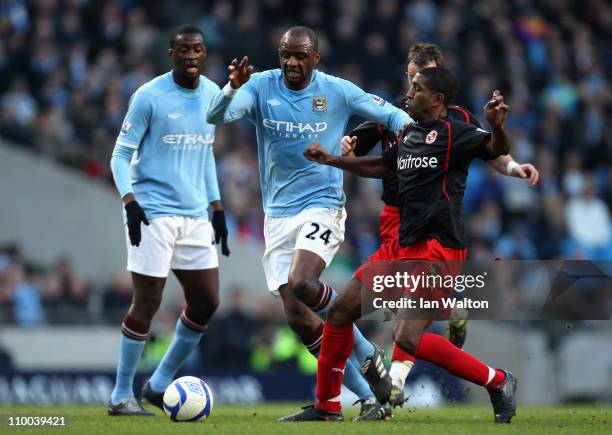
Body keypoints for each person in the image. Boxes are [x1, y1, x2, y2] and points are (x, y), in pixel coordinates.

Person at [282, 67, 518, 423]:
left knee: (405, 335)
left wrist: (497, 126)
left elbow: (493, 148)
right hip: (400, 248)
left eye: (417, 87)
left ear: (437, 100)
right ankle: (328, 405)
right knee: (342, 313)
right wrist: (333, 161)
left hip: (439, 251)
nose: (409, 91)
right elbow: (381, 165)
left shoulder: (456, 132)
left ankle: (488, 381)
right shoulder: (406, 133)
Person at [206, 26, 412, 420]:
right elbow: (215, 114)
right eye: (286, 54)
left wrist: (418, 139)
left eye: (301, 55)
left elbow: (392, 114)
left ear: (315, 58)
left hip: (322, 206)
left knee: (304, 282)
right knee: (298, 317)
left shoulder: (337, 91)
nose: (292, 62)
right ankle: (359, 399)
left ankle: (368, 354)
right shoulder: (260, 86)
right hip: (278, 215)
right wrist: (232, 87)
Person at [340, 42, 539, 407]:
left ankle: (394, 383)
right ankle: (453, 325)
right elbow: (370, 153)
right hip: (396, 226)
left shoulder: (459, 122)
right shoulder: (393, 113)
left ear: (439, 86)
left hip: (436, 234)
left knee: (404, 324)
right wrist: (342, 151)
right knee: (397, 324)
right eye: (411, 77)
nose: (414, 85)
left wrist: (513, 167)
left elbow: (492, 150)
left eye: (423, 78)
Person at [107, 24, 230, 416]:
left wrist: (217, 207)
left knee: (207, 302)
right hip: (153, 213)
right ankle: (121, 394)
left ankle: (158, 384)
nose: (192, 56)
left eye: (198, 49)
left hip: (195, 216)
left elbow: (205, 153)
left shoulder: (213, 94)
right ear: (171, 54)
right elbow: (119, 156)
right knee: (148, 301)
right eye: (184, 50)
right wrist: (130, 202)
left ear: (204, 53)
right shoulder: (149, 96)